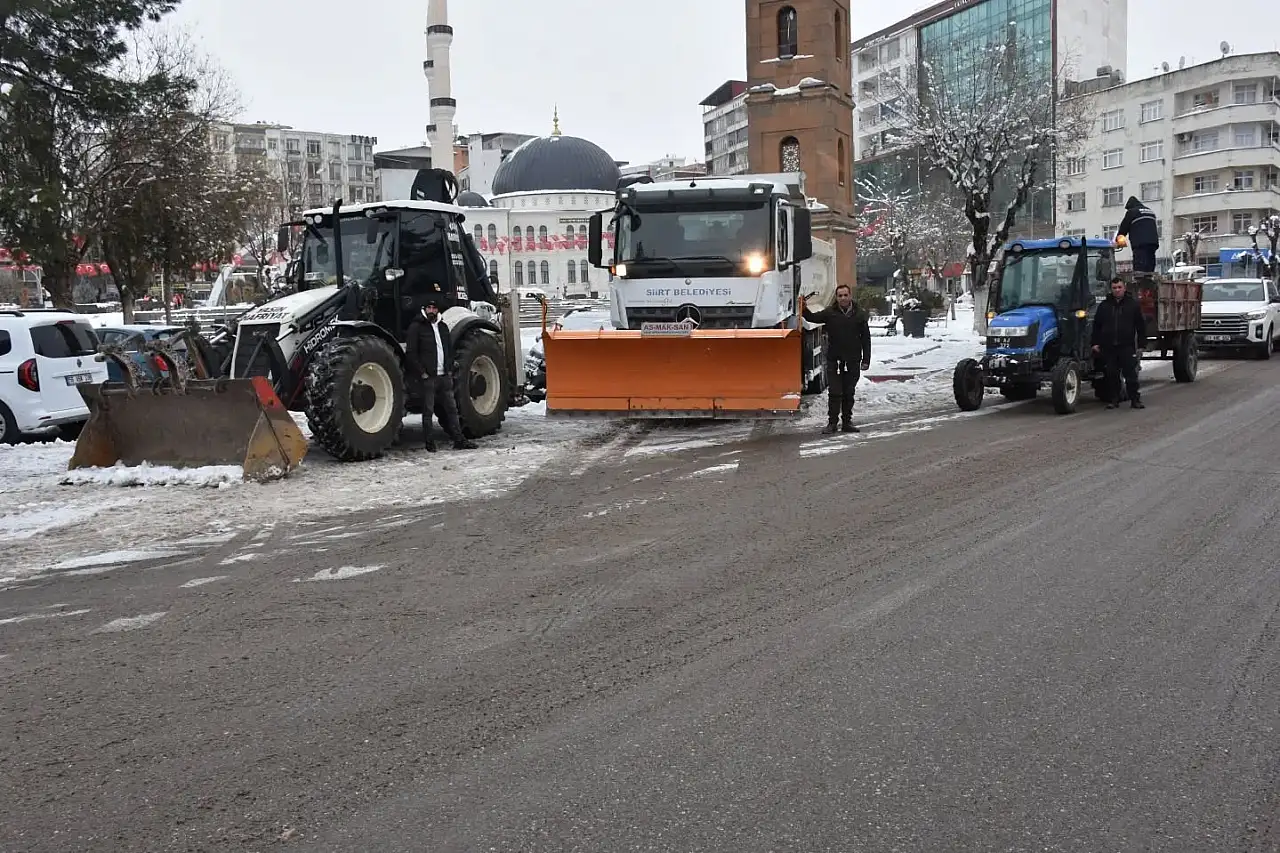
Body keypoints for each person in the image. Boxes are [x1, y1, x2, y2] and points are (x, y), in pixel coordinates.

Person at [405, 295, 479, 451]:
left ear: (438, 309)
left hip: (445, 377)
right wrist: (422, 373)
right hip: (429, 378)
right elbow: (412, 353)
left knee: (452, 410)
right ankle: (430, 443)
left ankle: (459, 440)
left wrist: (450, 369)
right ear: (424, 310)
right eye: (429, 308)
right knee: (428, 411)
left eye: (434, 308)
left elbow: (448, 350)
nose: (431, 310)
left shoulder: (443, 327)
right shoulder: (416, 327)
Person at [802, 283, 872, 433]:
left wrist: (866, 360)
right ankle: (832, 423)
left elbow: (866, 339)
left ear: (850, 296)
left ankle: (847, 422)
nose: (843, 298)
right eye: (840, 296)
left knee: (849, 392)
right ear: (836, 297)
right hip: (835, 360)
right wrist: (803, 307)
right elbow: (813, 317)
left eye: (845, 295)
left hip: (853, 360)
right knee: (834, 392)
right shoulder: (830, 313)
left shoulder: (859, 315)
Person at [1091, 276, 1147, 410]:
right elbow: (1097, 326)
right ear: (1111, 289)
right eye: (1114, 288)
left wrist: (1141, 345)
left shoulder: (1132, 305)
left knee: (1131, 375)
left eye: (1119, 287)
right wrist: (1095, 343)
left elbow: (1140, 326)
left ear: (1124, 288)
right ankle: (1114, 400)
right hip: (1109, 347)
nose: (1117, 290)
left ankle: (1135, 400)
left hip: (1127, 346)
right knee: (1111, 375)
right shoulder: (1104, 306)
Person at [1117, 196, 1160, 277]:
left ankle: (1140, 282)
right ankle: (1149, 279)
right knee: (1150, 263)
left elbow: (1123, 229)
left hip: (1140, 243)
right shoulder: (1150, 211)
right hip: (1153, 243)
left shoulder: (1132, 212)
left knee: (1140, 267)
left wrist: (1119, 243)